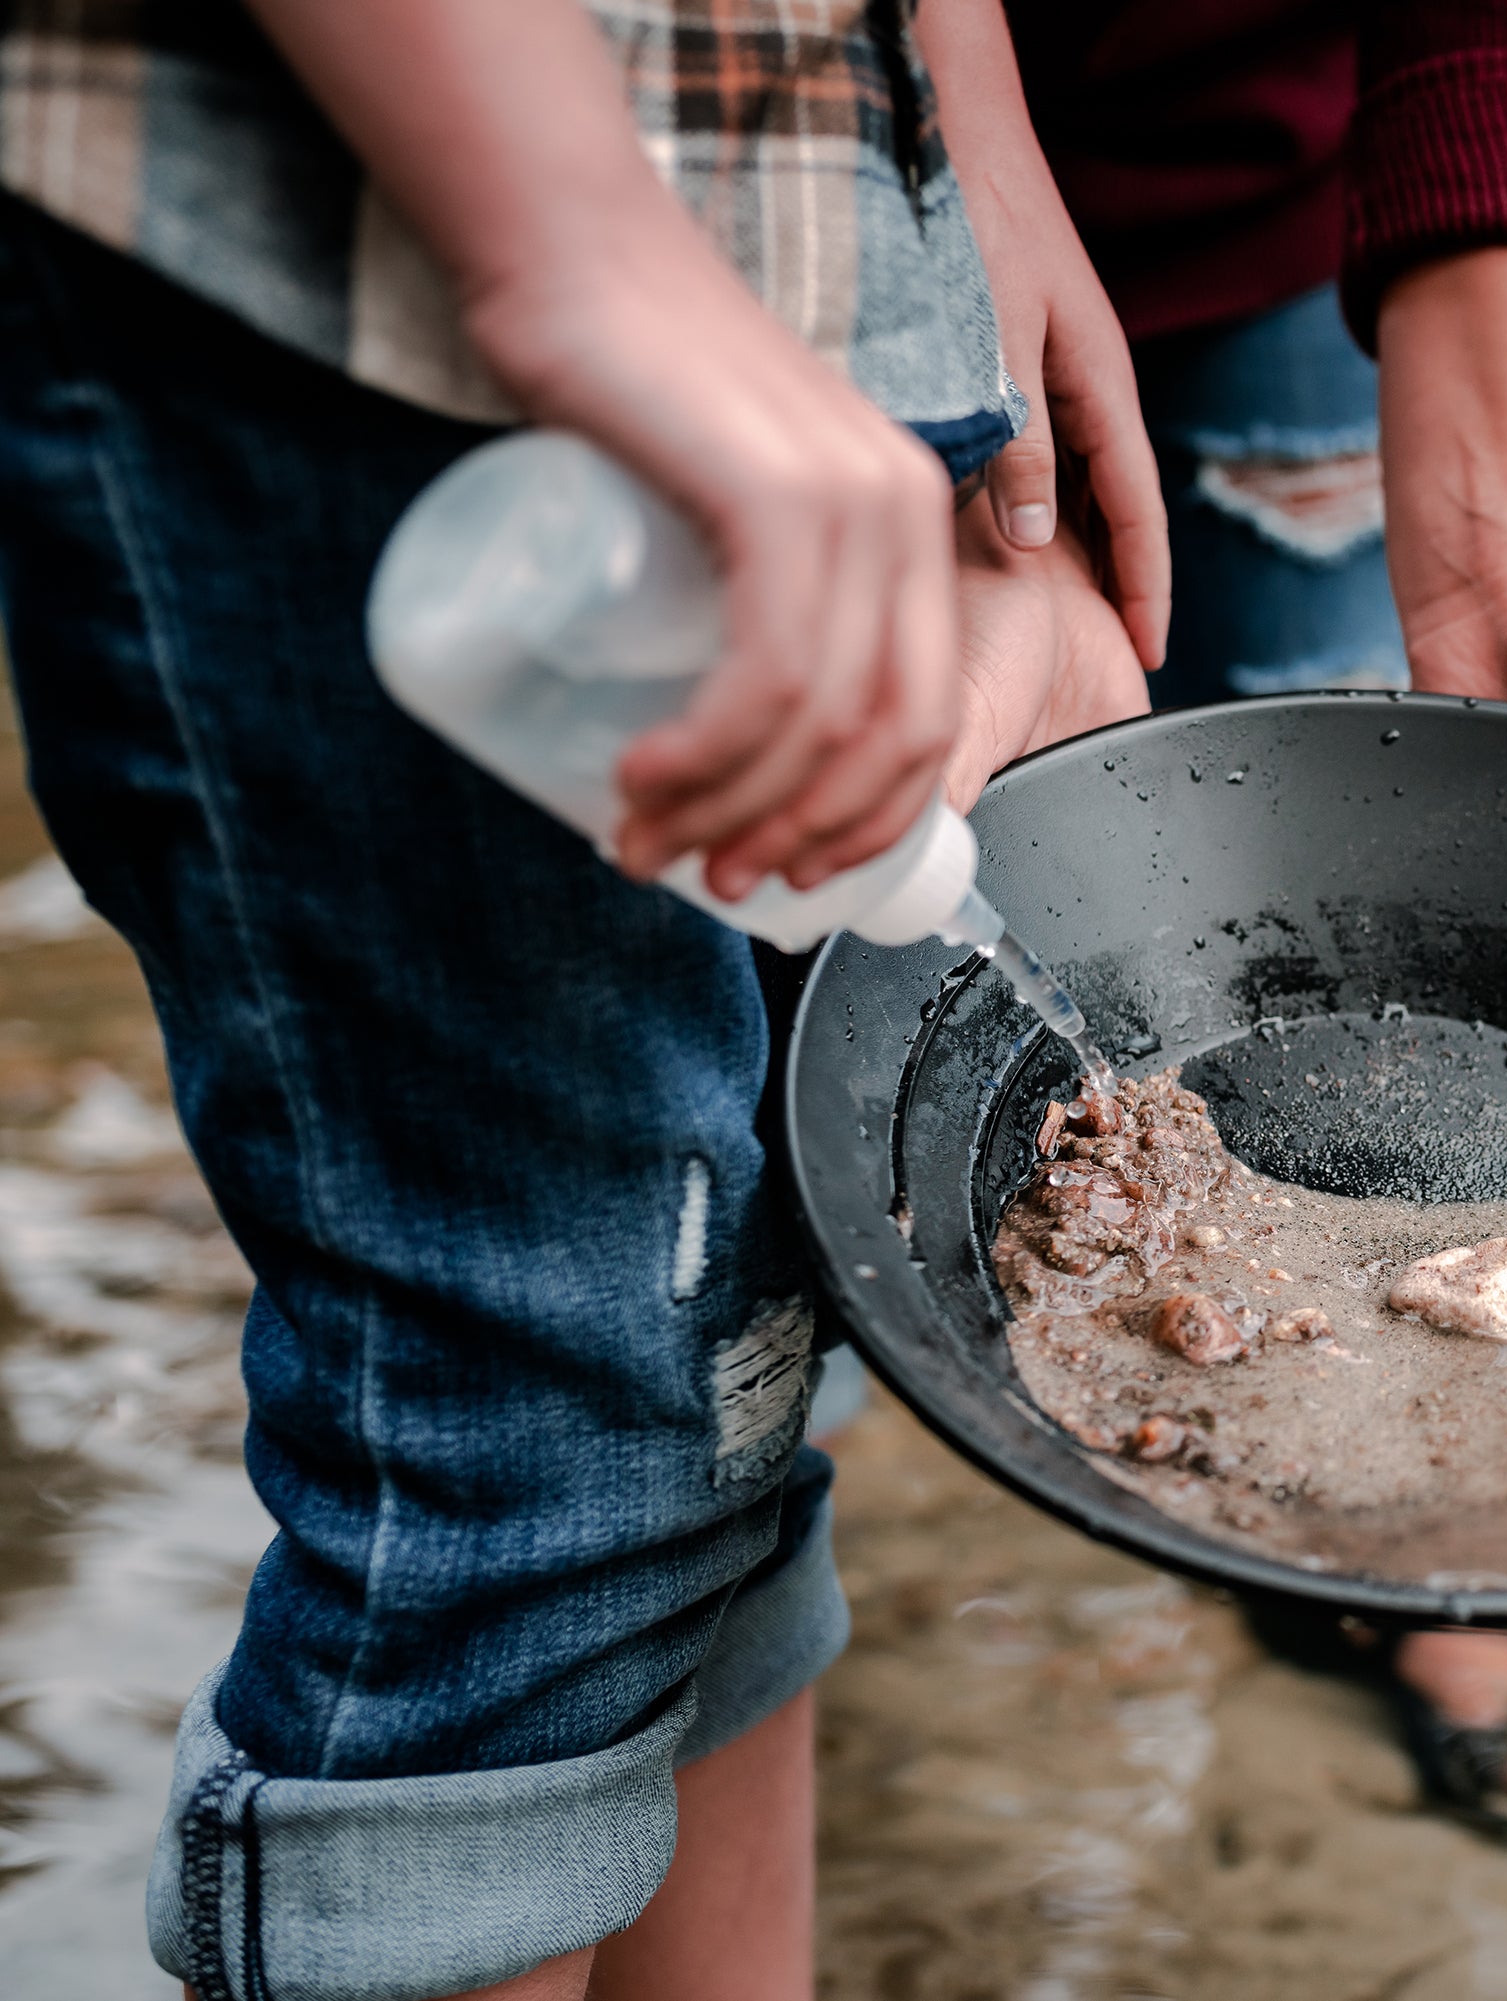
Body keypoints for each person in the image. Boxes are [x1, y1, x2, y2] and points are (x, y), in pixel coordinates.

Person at [0, 3, 1142, 1997]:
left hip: (822, 254)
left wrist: (978, 167)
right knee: (526, 1425)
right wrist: (573, 237)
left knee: (726, 1362)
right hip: (344, 233)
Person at [914, 0, 1507, 1852]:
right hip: (805, 181)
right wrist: (948, 228)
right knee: (872, 891)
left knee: (1338, 802)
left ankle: (1436, 1568)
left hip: (1295, 171)